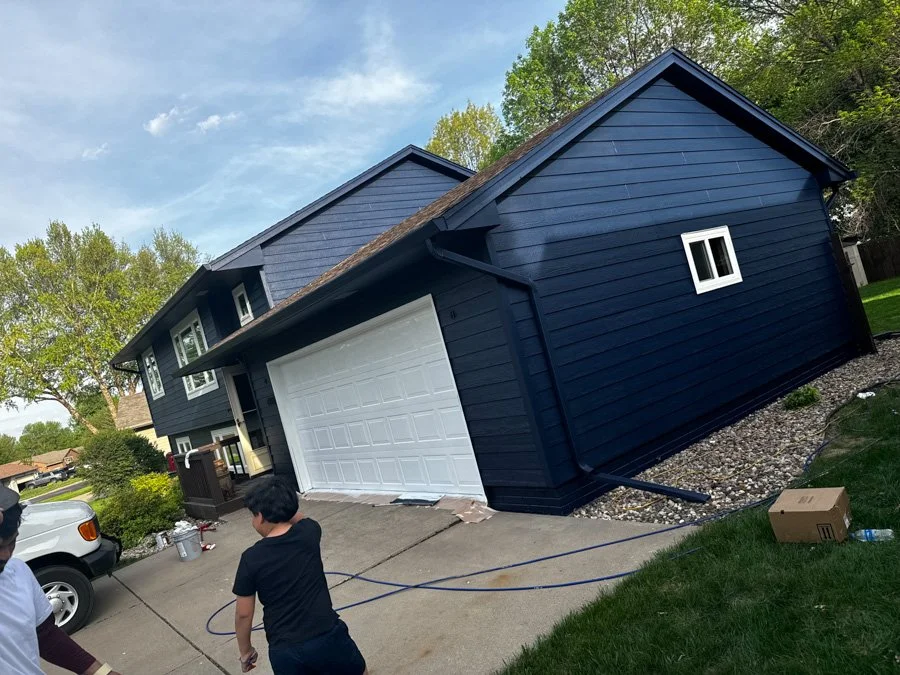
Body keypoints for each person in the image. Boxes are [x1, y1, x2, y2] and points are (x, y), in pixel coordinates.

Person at [233, 476, 368, 674]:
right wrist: (285, 505)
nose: (253, 522)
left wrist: (246, 652)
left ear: (260, 516)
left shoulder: (251, 558)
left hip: (285, 650)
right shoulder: (309, 532)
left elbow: (244, 614)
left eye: (253, 516)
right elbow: (299, 517)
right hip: (326, 635)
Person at [0, 485, 121, 675]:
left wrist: (103, 673)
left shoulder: (17, 571)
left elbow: (46, 636)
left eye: (12, 542)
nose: (6, 555)